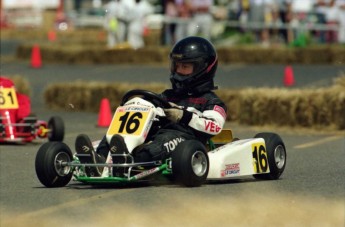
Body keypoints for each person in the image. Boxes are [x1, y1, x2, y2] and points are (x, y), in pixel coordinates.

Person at [75, 36, 227, 177]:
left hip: (184, 137)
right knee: (116, 133)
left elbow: (214, 126)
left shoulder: (211, 101)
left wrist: (183, 116)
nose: (179, 71)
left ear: (203, 68)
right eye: (177, 66)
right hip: (155, 131)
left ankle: (128, 163)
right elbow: (151, 106)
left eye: (185, 66)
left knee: (162, 142)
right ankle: (99, 159)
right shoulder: (167, 95)